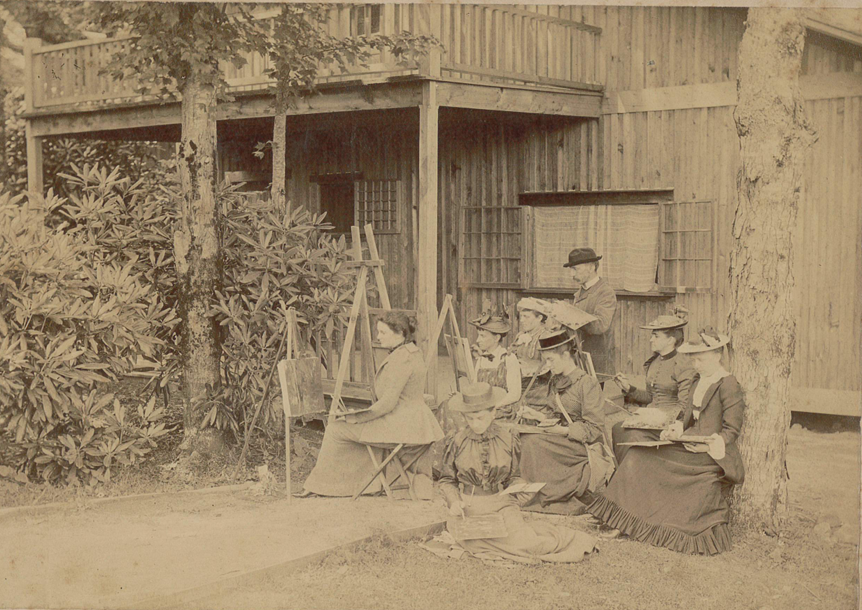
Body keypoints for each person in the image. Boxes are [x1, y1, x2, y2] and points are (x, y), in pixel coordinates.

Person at [586, 328, 746, 555]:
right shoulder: (698, 382)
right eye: (694, 360)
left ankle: (623, 522)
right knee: (637, 453)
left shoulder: (728, 384)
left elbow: (731, 430)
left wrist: (707, 444)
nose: (696, 365)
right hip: (689, 445)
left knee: (641, 458)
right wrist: (676, 429)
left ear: (718, 355)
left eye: (701, 359)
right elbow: (688, 417)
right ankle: (620, 519)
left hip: (711, 455)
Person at [438, 380, 597, 564]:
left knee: (527, 544)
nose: (475, 424)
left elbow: (513, 477)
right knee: (471, 539)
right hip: (468, 510)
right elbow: (446, 480)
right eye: (469, 418)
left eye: (480, 418)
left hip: (502, 505)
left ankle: (554, 539)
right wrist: (454, 501)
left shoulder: (508, 438)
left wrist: (519, 487)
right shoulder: (457, 441)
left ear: (493, 413)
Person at [297, 311, 444, 498]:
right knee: (346, 428)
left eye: (383, 333)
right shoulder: (410, 352)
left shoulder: (403, 359)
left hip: (402, 426)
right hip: (410, 423)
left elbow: (387, 405)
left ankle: (322, 486)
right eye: (378, 332)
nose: (378, 337)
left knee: (335, 429)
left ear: (400, 333)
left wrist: (357, 417)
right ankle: (362, 484)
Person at [516, 329, 615, 511]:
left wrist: (563, 431)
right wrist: (538, 416)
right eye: (546, 360)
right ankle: (532, 489)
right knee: (524, 437)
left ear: (566, 355)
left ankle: (542, 492)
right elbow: (555, 414)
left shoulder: (587, 383)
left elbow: (595, 428)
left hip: (581, 447)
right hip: (561, 439)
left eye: (551, 360)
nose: (548, 365)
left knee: (531, 442)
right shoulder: (555, 380)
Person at [611, 309, 696, 464]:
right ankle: (625, 474)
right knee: (617, 429)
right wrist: (628, 388)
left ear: (670, 340)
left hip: (670, 423)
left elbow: (685, 406)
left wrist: (659, 418)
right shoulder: (654, 362)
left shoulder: (683, 364)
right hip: (651, 418)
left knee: (633, 436)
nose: (651, 340)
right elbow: (650, 397)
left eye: (656, 336)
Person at [564, 247, 617, 378]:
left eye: (576, 269)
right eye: (571, 270)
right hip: (578, 358)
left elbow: (600, 325)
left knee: (591, 397)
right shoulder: (581, 292)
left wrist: (571, 317)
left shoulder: (605, 292)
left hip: (595, 360)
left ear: (592, 267)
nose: (572, 274)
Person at [470, 309, 522, 420]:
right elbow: (475, 387)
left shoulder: (508, 359)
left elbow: (515, 394)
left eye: (483, 336)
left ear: (496, 338)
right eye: (478, 335)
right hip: (483, 407)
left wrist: (493, 406)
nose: (478, 340)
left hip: (503, 408)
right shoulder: (481, 359)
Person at [511, 298, 551, 405]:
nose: (522, 320)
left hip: (539, 388)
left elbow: (549, 367)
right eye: (521, 316)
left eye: (526, 317)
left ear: (539, 318)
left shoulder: (546, 337)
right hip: (521, 382)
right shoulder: (520, 335)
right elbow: (511, 356)